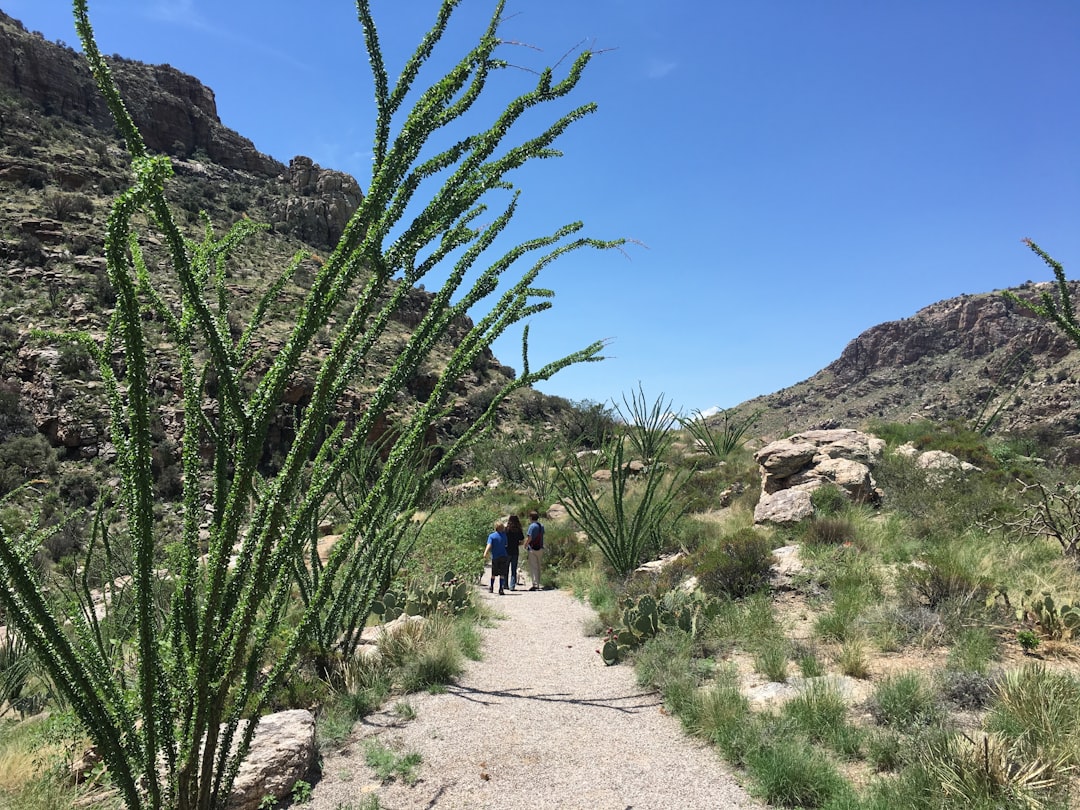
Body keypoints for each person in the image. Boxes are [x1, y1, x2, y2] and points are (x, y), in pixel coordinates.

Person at [482, 520, 510, 595]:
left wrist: (485, 552)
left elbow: (489, 544)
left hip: (495, 556)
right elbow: (506, 545)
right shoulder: (504, 536)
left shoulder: (492, 536)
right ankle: (501, 588)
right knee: (502, 574)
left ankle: (491, 587)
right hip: (503, 556)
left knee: (493, 573)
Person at [525, 510, 544, 591]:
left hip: (532, 549)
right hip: (540, 547)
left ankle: (535, 584)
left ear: (531, 517)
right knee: (539, 566)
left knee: (534, 567)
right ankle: (538, 583)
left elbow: (530, 537)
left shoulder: (532, 526)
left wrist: (525, 544)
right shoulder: (541, 526)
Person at [505, 514, 525, 591]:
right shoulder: (518, 530)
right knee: (514, 569)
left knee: (505, 569)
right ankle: (512, 586)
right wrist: (517, 544)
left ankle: (505, 584)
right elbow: (522, 541)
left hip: (507, 551)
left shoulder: (507, 529)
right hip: (515, 551)